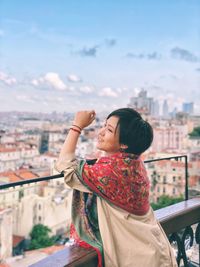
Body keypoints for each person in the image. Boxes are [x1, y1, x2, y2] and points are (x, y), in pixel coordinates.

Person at [55, 108, 177, 267]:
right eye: (104, 126)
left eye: (109, 130)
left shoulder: (110, 172)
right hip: (154, 249)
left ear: (124, 144)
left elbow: (65, 165)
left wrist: (77, 126)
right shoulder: (133, 164)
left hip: (139, 258)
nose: (101, 132)